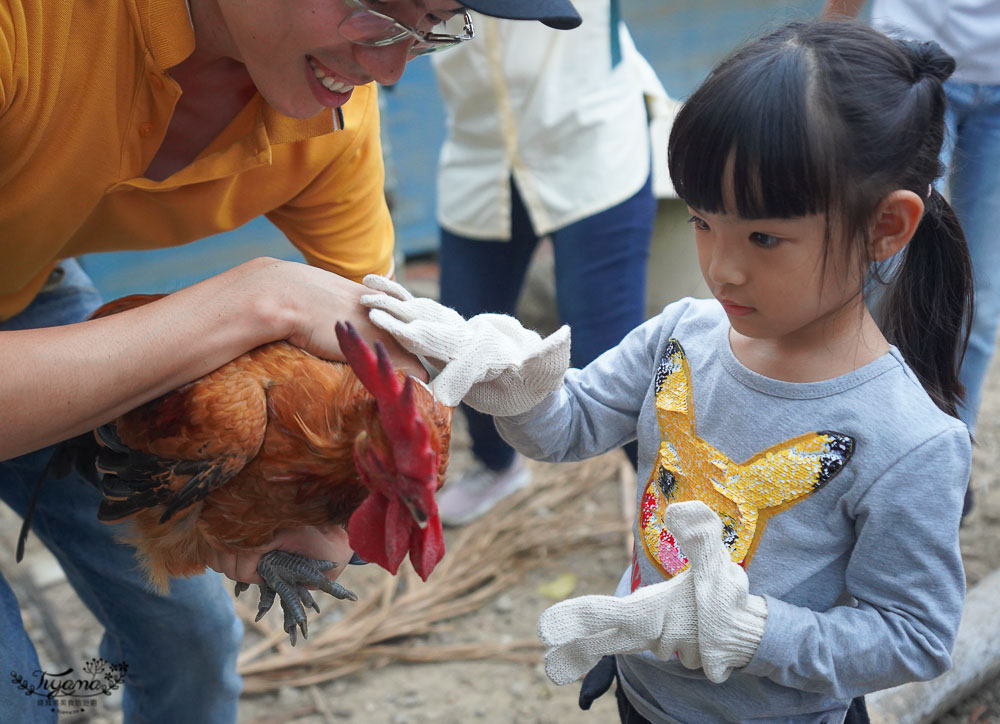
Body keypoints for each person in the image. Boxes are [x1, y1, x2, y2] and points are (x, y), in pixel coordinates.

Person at [361, 18, 974, 722]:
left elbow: (914, 637)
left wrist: (749, 630)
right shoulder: (685, 333)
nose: (722, 267)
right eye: (703, 222)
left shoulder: (909, 440)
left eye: (764, 237)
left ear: (886, 227)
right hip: (644, 695)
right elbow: (570, 426)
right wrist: (517, 386)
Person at [0, 1, 582, 722]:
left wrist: (307, 517)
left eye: (430, 25)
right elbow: (291, 316)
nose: (390, 67)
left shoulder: (337, 110)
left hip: (23, 286)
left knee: (196, 643)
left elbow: (372, 366)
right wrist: (260, 298)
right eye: (379, 8)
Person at [429, 0, 665, 525]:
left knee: (611, 348)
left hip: (589, 132)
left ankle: (676, 513)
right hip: (479, 141)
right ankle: (496, 466)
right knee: (459, 333)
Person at [822, 0, 1000, 516]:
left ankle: (946, 460)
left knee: (978, 295)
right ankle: (852, 438)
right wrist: (826, 44)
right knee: (885, 267)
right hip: (909, 61)